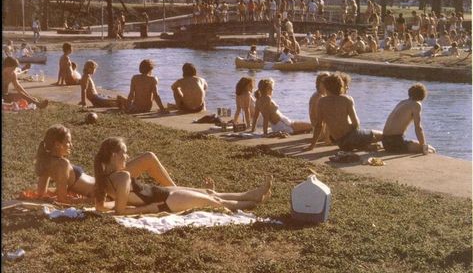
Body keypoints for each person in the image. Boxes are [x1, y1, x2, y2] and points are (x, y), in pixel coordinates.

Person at [94, 137, 273, 214]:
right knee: (216, 203)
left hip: (165, 193)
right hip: (167, 200)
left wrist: (131, 207)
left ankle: (252, 194)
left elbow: (104, 207)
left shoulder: (107, 180)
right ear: (113, 156)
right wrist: (148, 209)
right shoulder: (123, 177)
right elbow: (120, 211)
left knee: (209, 193)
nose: (127, 156)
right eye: (124, 153)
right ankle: (253, 202)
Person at [306, 72, 383, 151]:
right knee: (383, 135)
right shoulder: (347, 99)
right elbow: (356, 123)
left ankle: (363, 146)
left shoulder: (321, 102)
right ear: (341, 86)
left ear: (326, 87)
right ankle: (363, 144)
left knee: (361, 137)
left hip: (340, 143)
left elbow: (319, 125)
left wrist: (312, 146)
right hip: (352, 137)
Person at [35, 125, 95, 203]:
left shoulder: (46, 162)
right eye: (68, 142)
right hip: (102, 191)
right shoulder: (63, 164)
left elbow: (41, 193)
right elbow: (62, 199)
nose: (71, 145)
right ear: (57, 144)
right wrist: (87, 200)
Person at [382, 83, 436, 154]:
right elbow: (418, 128)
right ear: (423, 95)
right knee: (431, 150)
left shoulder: (402, 102)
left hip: (385, 141)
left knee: (424, 147)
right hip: (395, 142)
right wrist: (423, 146)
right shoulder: (416, 104)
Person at [308, 72, 331, 145]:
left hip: (318, 130)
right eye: (323, 82)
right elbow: (319, 119)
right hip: (320, 133)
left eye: (328, 81)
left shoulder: (320, 95)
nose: (326, 84)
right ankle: (328, 140)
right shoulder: (319, 97)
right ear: (318, 83)